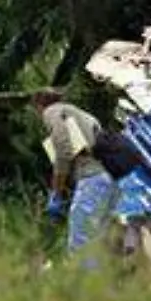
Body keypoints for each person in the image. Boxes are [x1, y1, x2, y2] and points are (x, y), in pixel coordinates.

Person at [32, 90, 116, 257]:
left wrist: (56, 192)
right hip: (108, 177)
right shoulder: (81, 114)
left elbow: (63, 150)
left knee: (81, 240)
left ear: (39, 106)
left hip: (92, 178)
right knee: (99, 238)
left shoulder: (53, 112)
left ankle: (86, 281)